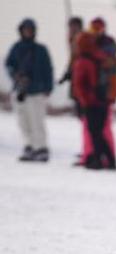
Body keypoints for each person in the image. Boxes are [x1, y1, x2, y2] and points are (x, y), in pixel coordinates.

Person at [5, 18, 53, 162]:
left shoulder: (41, 50)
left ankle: (41, 148)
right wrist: (16, 76)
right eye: (25, 29)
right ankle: (29, 146)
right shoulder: (16, 48)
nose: (28, 32)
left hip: (36, 91)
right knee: (23, 121)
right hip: (20, 91)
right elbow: (9, 65)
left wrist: (48, 87)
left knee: (37, 121)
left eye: (30, 29)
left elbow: (48, 69)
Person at [71, 32, 116, 170]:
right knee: (100, 132)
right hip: (104, 101)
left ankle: (97, 159)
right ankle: (110, 159)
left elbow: (79, 84)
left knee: (94, 132)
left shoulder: (82, 61)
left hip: (91, 103)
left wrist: (84, 101)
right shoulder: (102, 58)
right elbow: (113, 79)